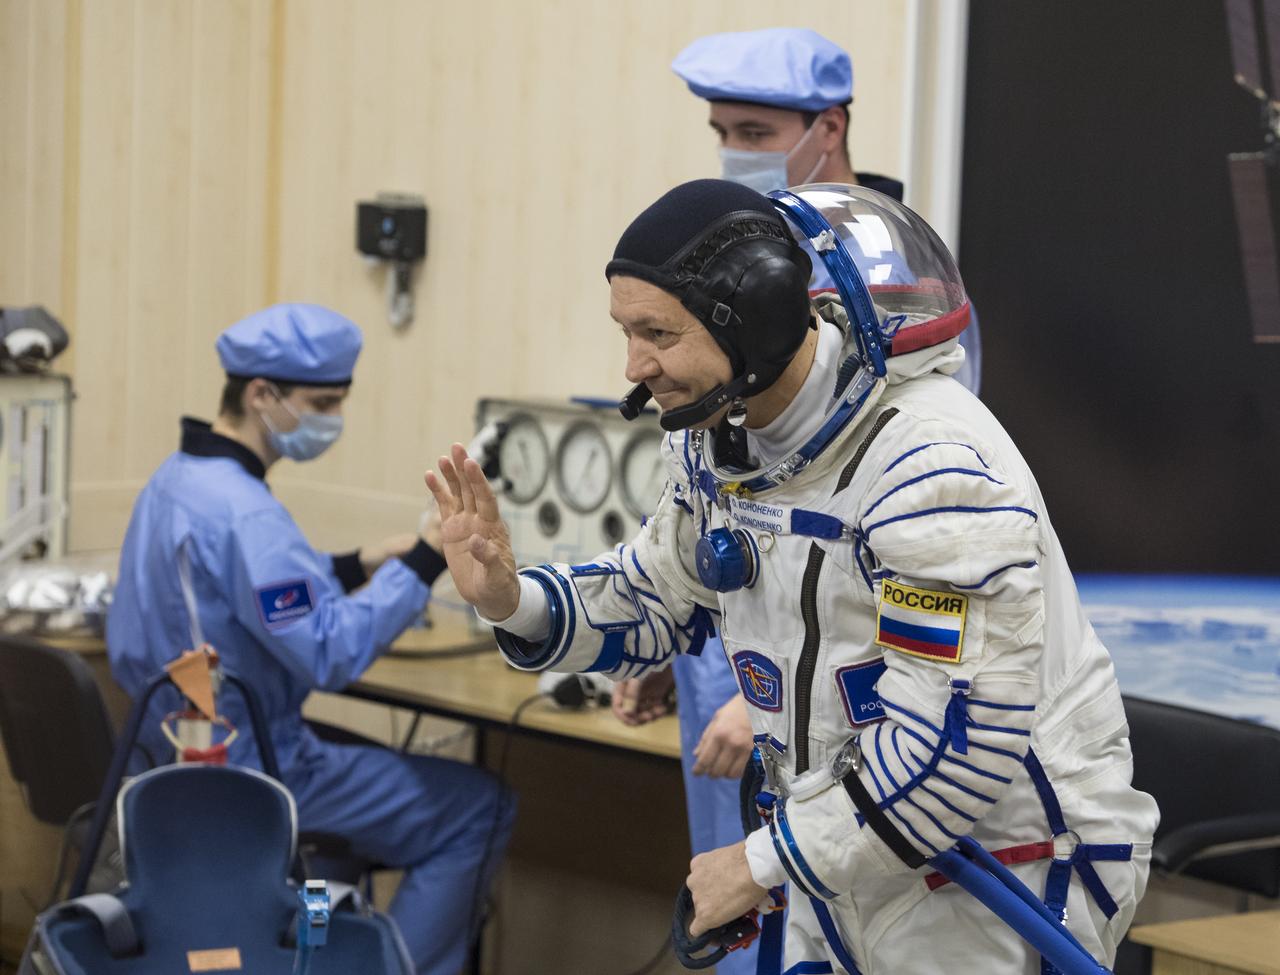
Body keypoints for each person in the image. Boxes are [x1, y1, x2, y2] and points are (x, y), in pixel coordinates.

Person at [426, 180, 1157, 973]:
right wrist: (512, 597)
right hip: (851, 840)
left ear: (758, 319)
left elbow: (955, 746)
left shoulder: (926, 469)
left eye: (658, 333)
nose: (635, 365)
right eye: (627, 332)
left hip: (1002, 862)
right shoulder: (721, 443)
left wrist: (761, 863)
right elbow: (651, 593)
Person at [107, 303, 515, 975]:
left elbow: (242, 591)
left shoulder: (176, 481)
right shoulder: (247, 512)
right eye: (322, 403)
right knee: (482, 806)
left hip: (167, 758)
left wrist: (357, 564)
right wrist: (424, 558)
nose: (334, 419)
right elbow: (330, 652)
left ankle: (324, 948)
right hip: (253, 772)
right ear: (260, 395)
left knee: (387, 791)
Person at [673, 26, 982, 395]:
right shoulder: (763, 244)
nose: (733, 153)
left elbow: (913, 417)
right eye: (722, 134)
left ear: (831, 128)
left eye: (754, 134)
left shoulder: (887, 269)